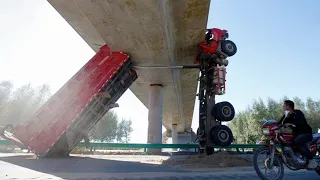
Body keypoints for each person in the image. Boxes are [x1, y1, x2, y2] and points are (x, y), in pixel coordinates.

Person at [279, 100, 318, 169]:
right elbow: (280, 123)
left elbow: (300, 123)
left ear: (288, 106)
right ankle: (297, 158)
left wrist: (290, 124)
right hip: (296, 134)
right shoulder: (287, 114)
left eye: (284, 105)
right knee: (288, 142)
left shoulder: (298, 112)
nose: (283, 106)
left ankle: (312, 161)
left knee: (298, 141)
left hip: (306, 133)